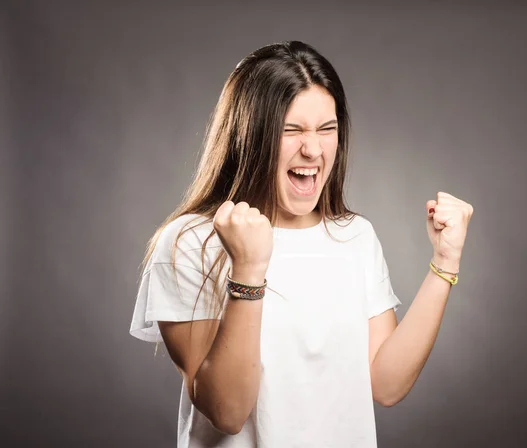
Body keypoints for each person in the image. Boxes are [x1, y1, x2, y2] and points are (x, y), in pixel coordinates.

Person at [129, 41, 474, 448]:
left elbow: (385, 384)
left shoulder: (355, 237)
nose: (313, 150)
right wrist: (249, 270)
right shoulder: (190, 242)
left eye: (327, 129)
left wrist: (445, 262)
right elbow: (226, 411)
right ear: (249, 137)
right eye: (290, 131)